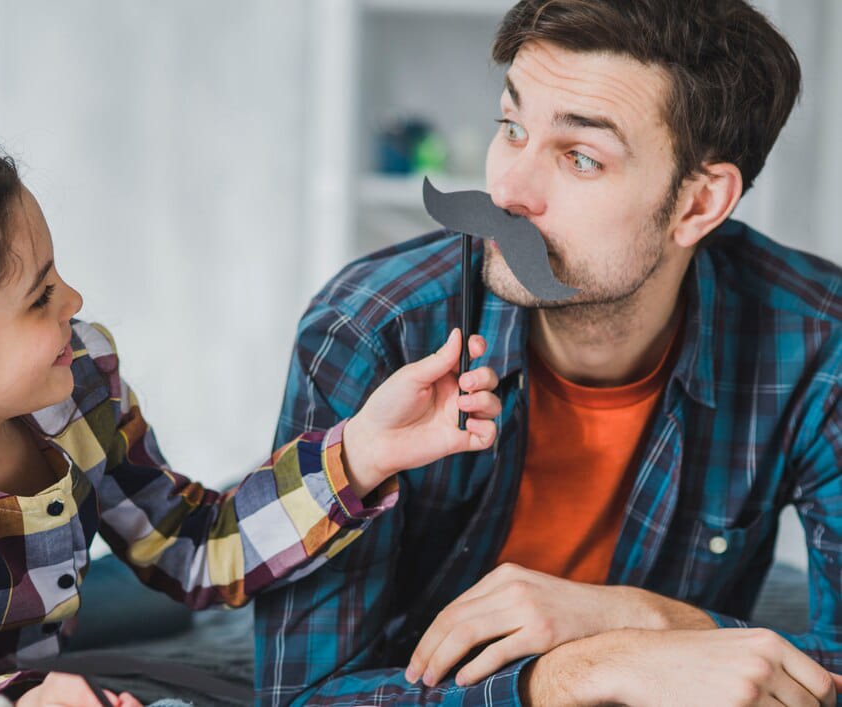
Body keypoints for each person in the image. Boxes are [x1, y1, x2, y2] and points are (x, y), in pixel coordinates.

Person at [0, 124, 502, 706]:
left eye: (56, 273)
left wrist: (364, 451)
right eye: (40, 297)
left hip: (70, 618)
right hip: (5, 667)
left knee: (172, 620)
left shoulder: (77, 379)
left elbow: (193, 543)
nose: (75, 299)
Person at [255, 1, 842, 705]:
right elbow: (300, 694)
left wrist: (639, 619)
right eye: (512, 127)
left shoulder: (816, 341)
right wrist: (564, 677)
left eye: (580, 157)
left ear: (698, 204)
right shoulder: (373, 328)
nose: (505, 190)